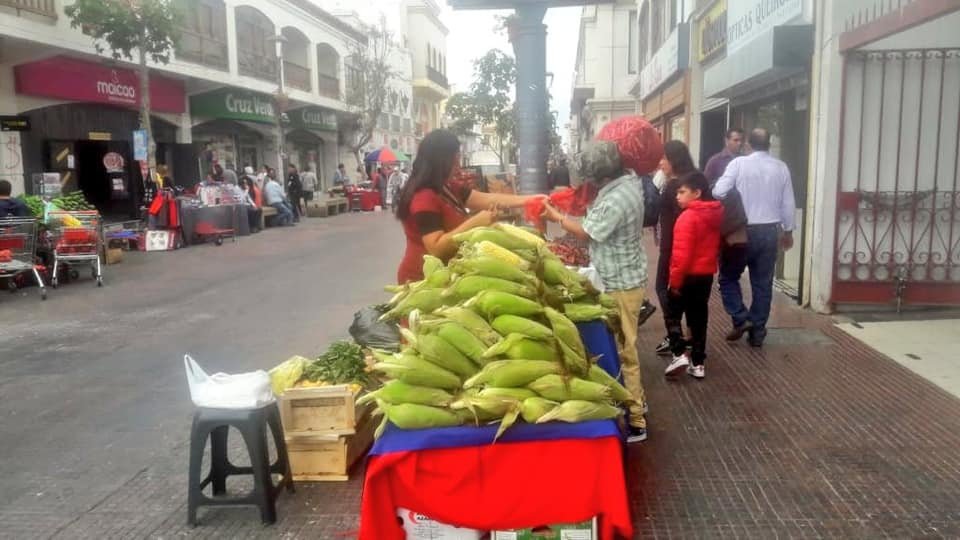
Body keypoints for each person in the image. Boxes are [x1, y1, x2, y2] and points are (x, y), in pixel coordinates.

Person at [540, 141, 648, 443]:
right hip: (622, 274)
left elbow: (588, 233)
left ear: (600, 175)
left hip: (621, 282)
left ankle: (637, 419)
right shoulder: (625, 185)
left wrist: (556, 217)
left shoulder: (618, 197)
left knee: (627, 351)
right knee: (625, 346)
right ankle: (637, 399)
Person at [395, 129, 545, 284]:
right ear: (442, 160)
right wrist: (475, 223)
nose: (458, 165)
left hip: (448, 274)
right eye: (455, 158)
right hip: (423, 279)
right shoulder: (424, 197)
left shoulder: (447, 187)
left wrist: (532, 200)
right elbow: (436, 248)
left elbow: (487, 199)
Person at [712, 128, 796, 348]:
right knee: (763, 283)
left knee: (728, 277)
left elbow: (719, 191)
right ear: (769, 144)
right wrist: (788, 231)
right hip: (769, 231)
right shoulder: (781, 167)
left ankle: (741, 318)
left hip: (741, 231)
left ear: (748, 144)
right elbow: (788, 202)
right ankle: (757, 331)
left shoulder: (738, 164)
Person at [663, 172, 723, 380]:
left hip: (686, 275)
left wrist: (675, 282)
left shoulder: (687, 218)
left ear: (697, 193)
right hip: (705, 275)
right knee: (698, 318)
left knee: (672, 313)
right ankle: (698, 363)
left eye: (682, 192)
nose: (677, 196)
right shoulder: (713, 215)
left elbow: (682, 254)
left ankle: (679, 352)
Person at [653, 141, 698, 356]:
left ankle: (675, 336)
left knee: (664, 288)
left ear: (674, 160)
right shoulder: (695, 181)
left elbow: (663, 217)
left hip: (672, 247)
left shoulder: (674, 187)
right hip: (695, 248)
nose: (660, 162)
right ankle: (689, 338)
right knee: (689, 294)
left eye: (664, 158)